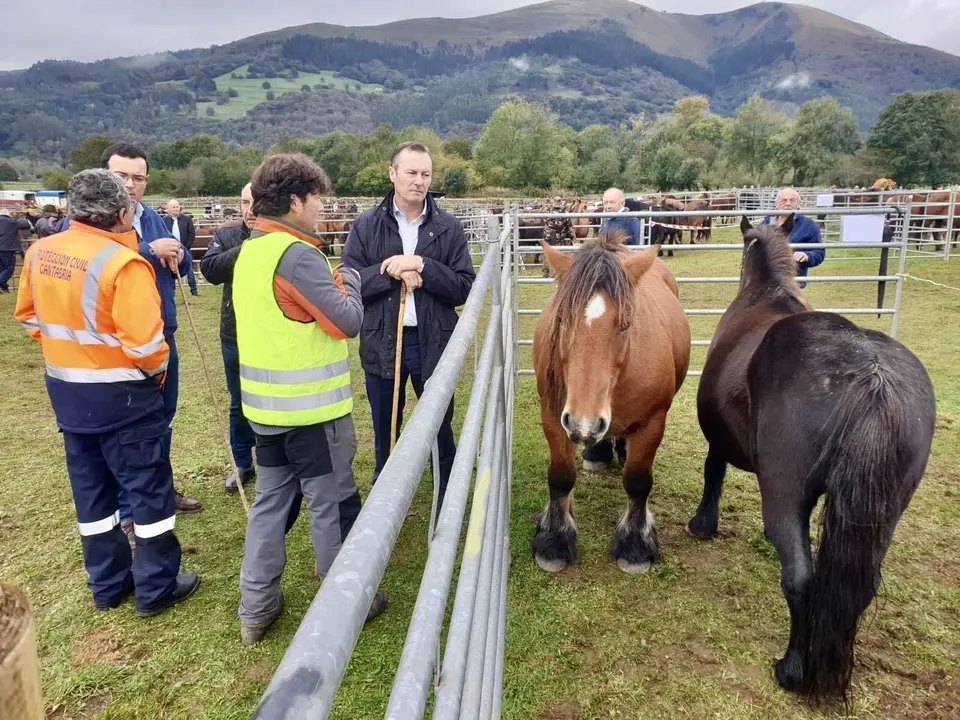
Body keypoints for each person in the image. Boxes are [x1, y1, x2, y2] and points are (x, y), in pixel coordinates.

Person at [13, 169, 199, 616]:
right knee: (149, 494)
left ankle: (108, 584)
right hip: (125, 400)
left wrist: (71, 351)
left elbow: (29, 317)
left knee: (93, 496)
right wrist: (152, 376)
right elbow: (148, 348)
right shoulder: (124, 264)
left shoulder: (39, 252)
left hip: (69, 398)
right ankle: (156, 586)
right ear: (122, 214)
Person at [233, 153, 386, 645]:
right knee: (331, 504)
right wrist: (353, 282)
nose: (322, 207)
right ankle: (345, 604)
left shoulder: (251, 251)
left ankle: (256, 607)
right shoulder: (298, 256)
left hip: (266, 412)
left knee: (270, 504)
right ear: (296, 200)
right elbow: (347, 321)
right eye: (318, 197)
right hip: (313, 414)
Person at [341, 141, 476, 510]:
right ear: (393, 174)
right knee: (386, 422)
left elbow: (464, 286)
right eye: (411, 172)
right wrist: (391, 270)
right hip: (383, 339)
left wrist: (422, 266)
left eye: (425, 174)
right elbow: (349, 283)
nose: (419, 181)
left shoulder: (448, 227)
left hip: (434, 341)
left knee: (438, 421)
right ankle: (386, 492)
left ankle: (445, 488)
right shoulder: (367, 225)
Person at [200, 183, 258, 494]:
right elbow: (210, 270)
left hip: (270, 334)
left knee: (271, 399)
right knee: (238, 401)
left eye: (256, 201)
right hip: (233, 332)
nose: (250, 209)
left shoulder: (283, 236)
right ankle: (242, 462)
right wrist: (247, 249)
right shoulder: (227, 234)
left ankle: (274, 462)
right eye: (245, 202)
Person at [761, 187, 825, 288]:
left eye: (792, 200)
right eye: (784, 200)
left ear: (798, 205)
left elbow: (819, 253)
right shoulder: (766, 223)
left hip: (794, 283)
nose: (788, 203)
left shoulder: (809, 225)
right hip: (766, 281)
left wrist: (807, 256)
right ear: (776, 204)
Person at [163, 199, 198, 296]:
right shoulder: (164, 221)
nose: (176, 209)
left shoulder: (187, 219)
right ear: (168, 209)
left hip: (185, 248)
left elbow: (191, 234)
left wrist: (186, 247)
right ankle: (172, 290)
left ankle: (194, 290)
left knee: (189, 269)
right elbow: (162, 234)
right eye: (173, 207)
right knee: (171, 269)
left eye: (177, 206)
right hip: (171, 249)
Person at [0, 209, 31, 293]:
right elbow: (26, 225)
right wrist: (17, 219)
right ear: (8, 214)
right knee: (9, 267)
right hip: (7, 248)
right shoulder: (11, 222)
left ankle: (3, 287)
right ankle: (1, 283)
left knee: (2, 268)